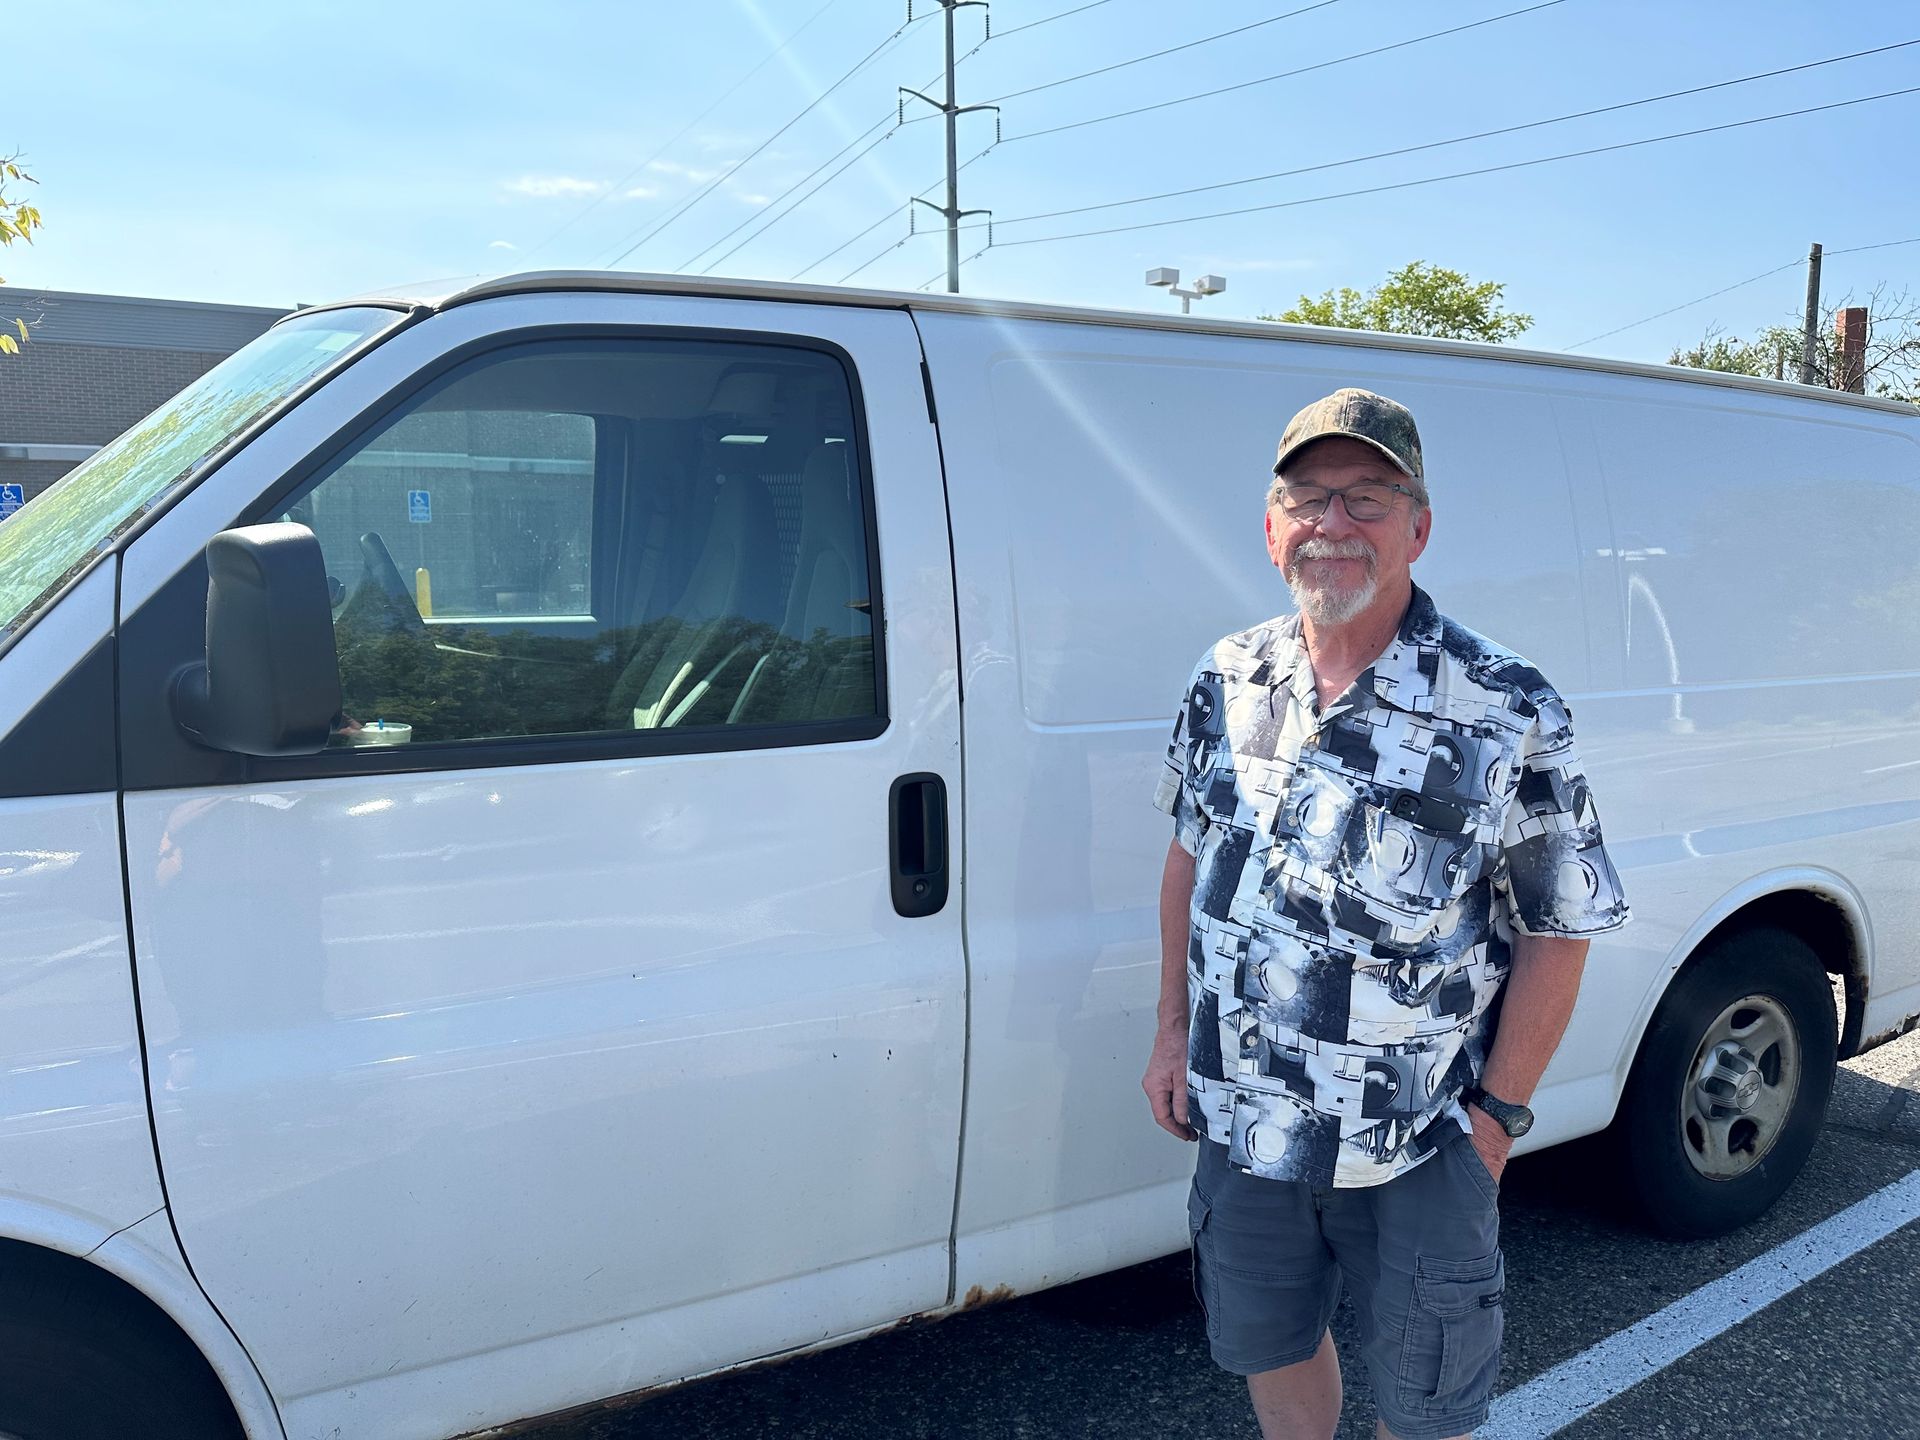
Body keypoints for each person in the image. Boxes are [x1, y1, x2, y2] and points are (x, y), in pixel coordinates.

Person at [1141, 387, 1629, 1440]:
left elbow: (1560, 922)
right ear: (1272, 528)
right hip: (1243, 1119)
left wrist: (1495, 1123)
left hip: (1417, 1138)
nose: (1334, 525)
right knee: (1269, 1347)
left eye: (1368, 498)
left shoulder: (1505, 704)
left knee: (1428, 1402)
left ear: (1419, 526)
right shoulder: (1225, 677)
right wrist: (1172, 1032)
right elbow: (1190, 858)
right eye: (1308, 497)